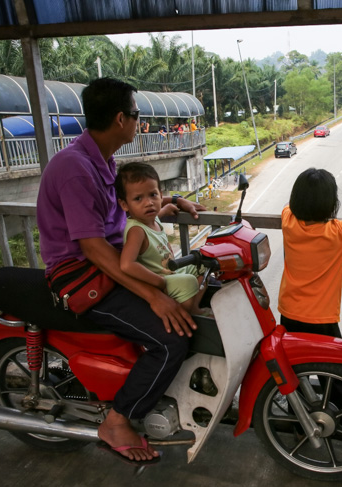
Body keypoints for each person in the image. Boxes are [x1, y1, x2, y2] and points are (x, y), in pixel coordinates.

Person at [36, 77, 206, 465]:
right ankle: (117, 421)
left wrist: (166, 202)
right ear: (119, 119)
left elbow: (122, 215)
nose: (137, 121)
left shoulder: (103, 161)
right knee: (171, 339)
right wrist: (154, 295)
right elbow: (93, 248)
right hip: (81, 275)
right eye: (136, 115)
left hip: (110, 265)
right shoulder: (76, 170)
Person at [278, 168, 342, 440]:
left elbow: (289, 207)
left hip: (289, 315)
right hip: (321, 320)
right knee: (336, 375)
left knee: (296, 372)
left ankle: (300, 423)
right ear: (331, 204)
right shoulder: (339, 232)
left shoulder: (288, 221)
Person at [115, 162, 206, 316]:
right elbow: (126, 265)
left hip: (170, 270)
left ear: (161, 195)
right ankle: (187, 311)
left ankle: (192, 307)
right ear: (124, 204)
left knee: (202, 263)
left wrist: (167, 208)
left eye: (153, 195)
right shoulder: (137, 230)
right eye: (138, 198)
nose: (149, 203)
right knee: (189, 281)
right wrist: (158, 281)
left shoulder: (151, 218)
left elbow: (158, 215)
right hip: (158, 278)